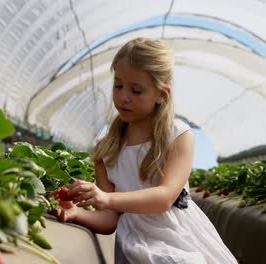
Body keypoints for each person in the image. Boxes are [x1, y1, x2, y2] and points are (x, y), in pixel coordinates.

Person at [52, 37, 237, 263]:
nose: (123, 97)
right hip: (135, 245)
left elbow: (165, 197)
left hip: (178, 239)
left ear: (162, 95)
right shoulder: (107, 150)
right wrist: (77, 213)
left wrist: (107, 199)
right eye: (118, 86)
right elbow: (109, 221)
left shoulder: (177, 136)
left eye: (136, 91)